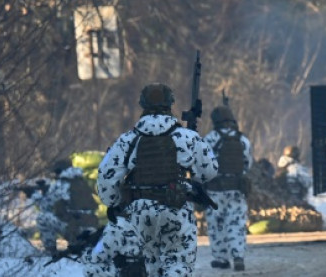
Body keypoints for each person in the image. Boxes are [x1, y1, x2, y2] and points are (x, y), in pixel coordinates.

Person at [96, 82, 218, 276]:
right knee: (178, 262)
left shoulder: (127, 140)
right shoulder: (187, 137)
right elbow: (209, 172)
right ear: (171, 104)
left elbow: (105, 179)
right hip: (176, 208)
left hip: (138, 213)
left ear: (142, 105)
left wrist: (115, 202)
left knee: (149, 265)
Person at [203, 104, 253, 271]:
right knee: (237, 224)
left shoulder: (209, 139)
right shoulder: (242, 140)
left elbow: (203, 165)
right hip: (237, 189)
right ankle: (238, 256)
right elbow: (247, 164)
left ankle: (221, 258)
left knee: (216, 225)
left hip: (215, 190)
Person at [31, 158, 99, 254]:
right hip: (91, 225)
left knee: (42, 218)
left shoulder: (62, 184)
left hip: (75, 228)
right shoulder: (81, 181)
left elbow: (45, 206)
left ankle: (50, 251)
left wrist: (34, 195)